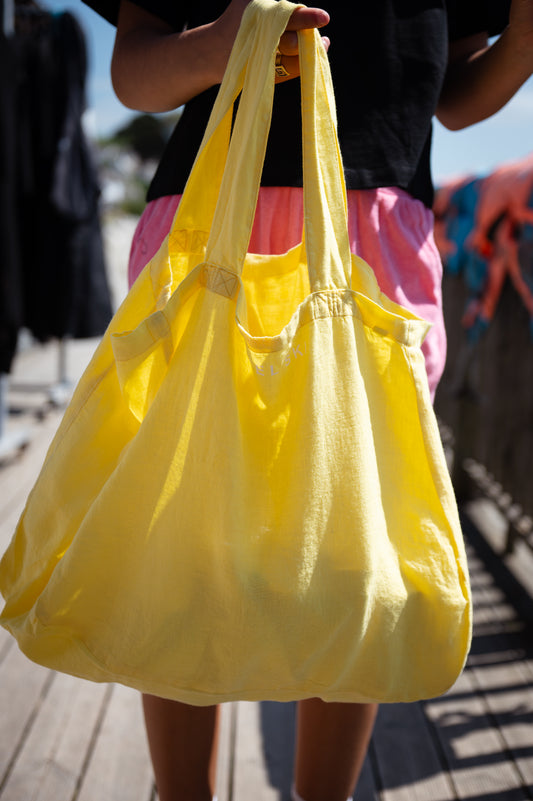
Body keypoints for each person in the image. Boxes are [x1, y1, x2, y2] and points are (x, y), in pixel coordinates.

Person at [82, 1, 533, 800]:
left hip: (377, 241)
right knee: (192, 540)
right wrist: (221, 44)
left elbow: (454, 95)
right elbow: (134, 71)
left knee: (352, 548)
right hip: (210, 221)